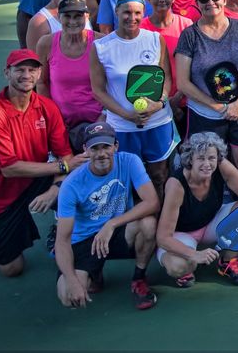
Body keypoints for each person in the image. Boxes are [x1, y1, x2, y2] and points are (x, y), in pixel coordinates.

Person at [0, 49, 82, 277]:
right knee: (12, 268)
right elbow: (10, 169)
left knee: (77, 187)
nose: (26, 74)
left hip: (36, 179)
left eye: (32, 69)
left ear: (40, 73)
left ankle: (69, 238)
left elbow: (65, 155)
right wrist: (62, 168)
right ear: (7, 73)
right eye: (19, 69)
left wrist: (55, 188)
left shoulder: (48, 108)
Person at [54, 121, 160, 310]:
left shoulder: (129, 161)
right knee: (69, 296)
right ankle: (93, 274)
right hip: (84, 241)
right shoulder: (71, 185)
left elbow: (152, 202)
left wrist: (111, 224)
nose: (101, 153)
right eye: (95, 148)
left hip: (116, 232)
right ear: (85, 149)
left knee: (148, 224)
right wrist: (72, 281)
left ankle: (138, 279)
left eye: (106, 146)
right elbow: (62, 241)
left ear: (115, 146)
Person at [175, 0, 238, 182]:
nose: (210, 2)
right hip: (205, 113)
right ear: (197, 2)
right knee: (208, 165)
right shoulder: (189, 36)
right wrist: (220, 107)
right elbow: (183, 82)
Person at [90, 0, 175, 195]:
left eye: (137, 13)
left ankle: (159, 220)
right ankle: (131, 223)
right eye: (126, 12)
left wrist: (159, 103)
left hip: (157, 122)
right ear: (117, 11)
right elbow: (98, 91)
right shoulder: (101, 47)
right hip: (122, 127)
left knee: (159, 175)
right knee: (126, 180)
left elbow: (166, 79)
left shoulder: (155, 39)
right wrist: (126, 114)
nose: (132, 17)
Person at [156, 131, 238, 286]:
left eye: (211, 158)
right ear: (190, 159)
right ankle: (188, 268)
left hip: (212, 223)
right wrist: (194, 255)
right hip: (182, 234)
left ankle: (227, 260)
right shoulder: (176, 185)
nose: (207, 164)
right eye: (201, 158)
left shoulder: (220, 165)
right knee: (178, 267)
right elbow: (163, 237)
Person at [36, 0, 103, 141]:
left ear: (87, 16)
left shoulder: (102, 42)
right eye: (67, 16)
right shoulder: (45, 43)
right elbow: (41, 83)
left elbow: (112, 84)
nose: (72, 21)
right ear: (59, 17)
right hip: (61, 124)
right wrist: (53, 119)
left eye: (78, 16)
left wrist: (104, 117)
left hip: (99, 122)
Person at [141, 0, 194, 113]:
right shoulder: (140, 29)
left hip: (186, 101)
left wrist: (178, 98)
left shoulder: (186, 25)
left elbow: (195, 66)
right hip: (151, 104)